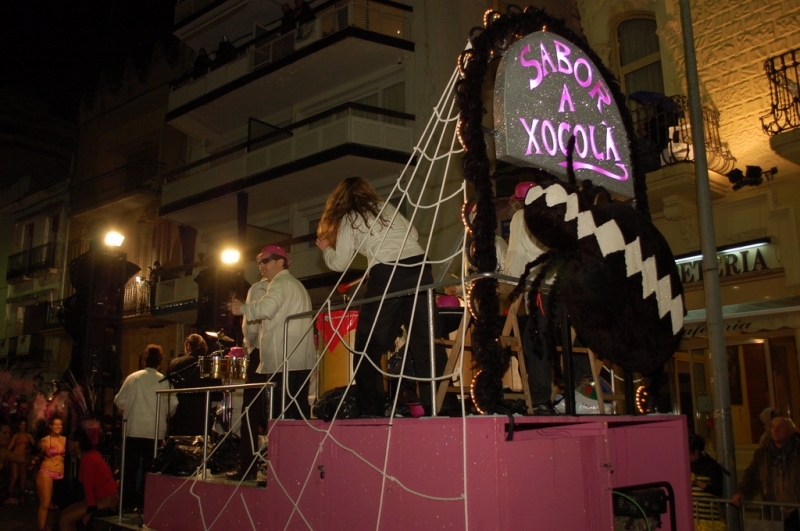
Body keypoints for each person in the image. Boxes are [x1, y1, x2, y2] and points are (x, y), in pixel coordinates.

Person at [315, 176, 447, 416]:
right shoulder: (386, 207)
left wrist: (327, 250)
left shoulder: (349, 218)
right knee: (425, 338)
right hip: (420, 266)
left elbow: (340, 264)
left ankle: (371, 406)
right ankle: (435, 403)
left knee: (369, 342)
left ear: (340, 201)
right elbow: (413, 234)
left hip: (388, 272)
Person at [227, 245, 315, 422]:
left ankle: (281, 449)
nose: (261, 265)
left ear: (280, 262)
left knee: (280, 414)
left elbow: (266, 309)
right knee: (298, 412)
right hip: (298, 360)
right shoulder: (297, 285)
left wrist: (243, 308)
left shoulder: (280, 283)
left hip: (282, 361)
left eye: (266, 260)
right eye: (259, 261)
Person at [114, 344, 176, 513]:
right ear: (160, 362)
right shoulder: (164, 380)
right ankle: (145, 504)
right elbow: (173, 404)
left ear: (144, 361)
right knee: (150, 471)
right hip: (154, 431)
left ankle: (126, 505)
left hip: (133, 428)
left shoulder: (132, 378)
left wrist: (132, 405)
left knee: (130, 470)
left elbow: (119, 401)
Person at [227, 260, 271, 481]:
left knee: (250, 410)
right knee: (275, 409)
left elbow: (251, 325)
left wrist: (249, 344)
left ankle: (247, 466)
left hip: (260, 352)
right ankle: (275, 465)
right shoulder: (290, 286)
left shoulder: (257, 288)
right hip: (281, 353)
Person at [733, 417, 800, 529]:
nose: (775, 430)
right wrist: (742, 492)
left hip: (796, 509)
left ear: (790, 430)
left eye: (781, 426)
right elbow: (751, 475)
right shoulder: (763, 453)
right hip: (774, 509)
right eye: (773, 426)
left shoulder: (797, 451)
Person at [59, 428, 119, 531]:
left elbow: (88, 486)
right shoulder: (90, 454)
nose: (67, 442)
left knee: (65, 519)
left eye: (70, 440)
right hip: (102, 497)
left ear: (77, 443)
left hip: (106, 497)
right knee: (64, 515)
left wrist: (90, 511)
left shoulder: (88, 458)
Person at [165, 334, 221, 436]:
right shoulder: (208, 365)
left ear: (188, 345)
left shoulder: (174, 363)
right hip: (201, 416)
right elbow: (218, 394)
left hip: (179, 416)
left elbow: (167, 388)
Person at [689, 433, 728, 531]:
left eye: (691, 452)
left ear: (698, 450)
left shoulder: (710, 465)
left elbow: (717, 491)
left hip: (709, 520)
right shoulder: (685, 465)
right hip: (692, 518)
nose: (689, 456)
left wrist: (696, 481)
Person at [35, 416, 67, 531]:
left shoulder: (65, 440)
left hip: (61, 473)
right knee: (45, 504)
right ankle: (42, 528)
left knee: (57, 505)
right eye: (55, 424)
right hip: (46, 472)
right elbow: (37, 455)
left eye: (60, 424)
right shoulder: (44, 440)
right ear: (50, 426)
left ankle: (55, 526)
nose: (58, 427)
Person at [5, 418, 34, 504]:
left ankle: (22, 495)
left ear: (26, 426)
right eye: (21, 424)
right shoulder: (16, 435)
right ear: (19, 426)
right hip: (15, 457)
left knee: (23, 477)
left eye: (24, 425)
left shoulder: (29, 436)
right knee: (14, 476)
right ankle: (10, 495)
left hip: (24, 459)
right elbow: (10, 447)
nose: (22, 426)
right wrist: (5, 454)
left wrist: (30, 452)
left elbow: (34, 447)